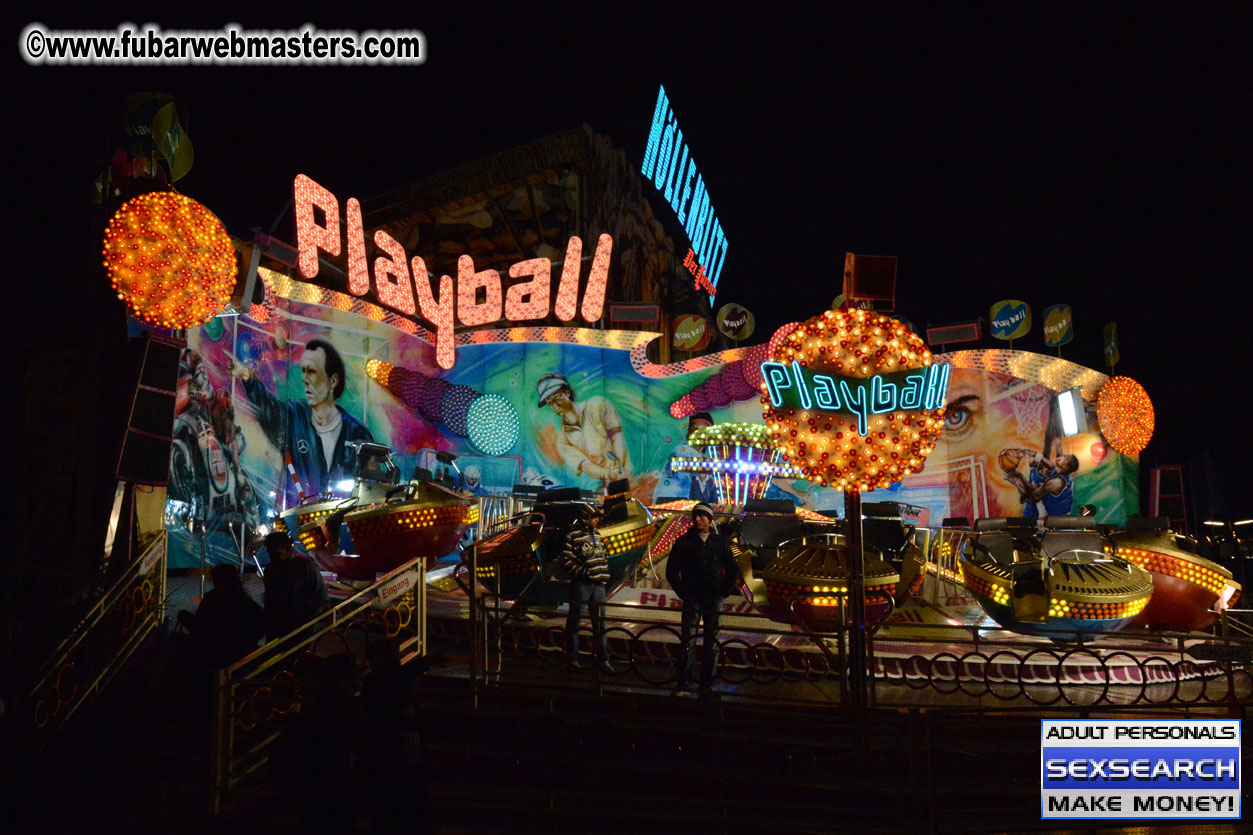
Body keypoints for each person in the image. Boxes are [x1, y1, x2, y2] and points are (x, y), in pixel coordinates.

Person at [229, 338, 374, 497]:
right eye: (304, 371)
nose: (305, 379)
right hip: (304, 517)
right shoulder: (295, 415)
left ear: (333, 380)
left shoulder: (358, 434)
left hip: (343, 519)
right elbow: (269, 409)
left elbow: (373, 489)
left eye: (312, 372)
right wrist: (248, 378)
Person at [665, 503, 739, 696]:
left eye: (702, 516)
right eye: (695, 516)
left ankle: (707, 684)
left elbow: (733, 569)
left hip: (713, 597)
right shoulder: (684, 542)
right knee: (688, 640)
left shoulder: (719, 542)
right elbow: (671, 571)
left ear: (709, 519)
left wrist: (724, 591)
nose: (697, 519)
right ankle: (685, 684)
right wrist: (685, 593)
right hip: (694, 597)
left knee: (711, 641)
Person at [536, 372, 631, 482]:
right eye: (549, 402)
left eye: (556, 397)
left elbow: (617, 437)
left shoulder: (598, 405)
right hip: (605, 487)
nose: (554, 405)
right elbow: (585, 465)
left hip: (629, 479)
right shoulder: (562, 441)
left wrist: (619, 470)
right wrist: (609, 474)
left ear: (567, 393)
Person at [177, 563, 265, 669]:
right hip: (236, 655)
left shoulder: (212, 599)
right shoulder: (242, 600)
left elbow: (200, 627)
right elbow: (261, 623)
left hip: (212, 655)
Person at [560, 504, 612, 670]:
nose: (598, 520)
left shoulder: (597, 535)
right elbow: (566, 560)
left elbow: (603, 558)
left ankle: (602, 660)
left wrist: (603, 574)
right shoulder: (573, 536)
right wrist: (583, 573)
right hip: (582, 585)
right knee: (575, 621)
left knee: (600, 624)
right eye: (594, 517)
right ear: (585, 518)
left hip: (598, 586)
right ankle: (572, 658)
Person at [262, 531, 329, 640]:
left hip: (300, 626)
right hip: (276, 625)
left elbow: (321, 597)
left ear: (288, 550)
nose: (271, 557)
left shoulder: (306, 568)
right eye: (270, 553)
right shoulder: (271, 569)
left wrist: (308, 620)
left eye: (275, 554)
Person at [1002, 448, 1079, 519]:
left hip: (1059, 520)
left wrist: (1020, 478)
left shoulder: (1056, 482)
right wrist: (1028, 453)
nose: (1062, 455)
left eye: (1065, 457)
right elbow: (1030, 494)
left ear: (1065, 466)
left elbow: (1033, 497)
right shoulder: (1054, 472)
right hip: (1052, 518)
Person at [661, 411, 717, 502]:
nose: (700, 435)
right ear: (689, 432)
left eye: (704, 431)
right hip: (674, 502)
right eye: (695, 430)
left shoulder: (703, 459)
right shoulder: (683, 450)